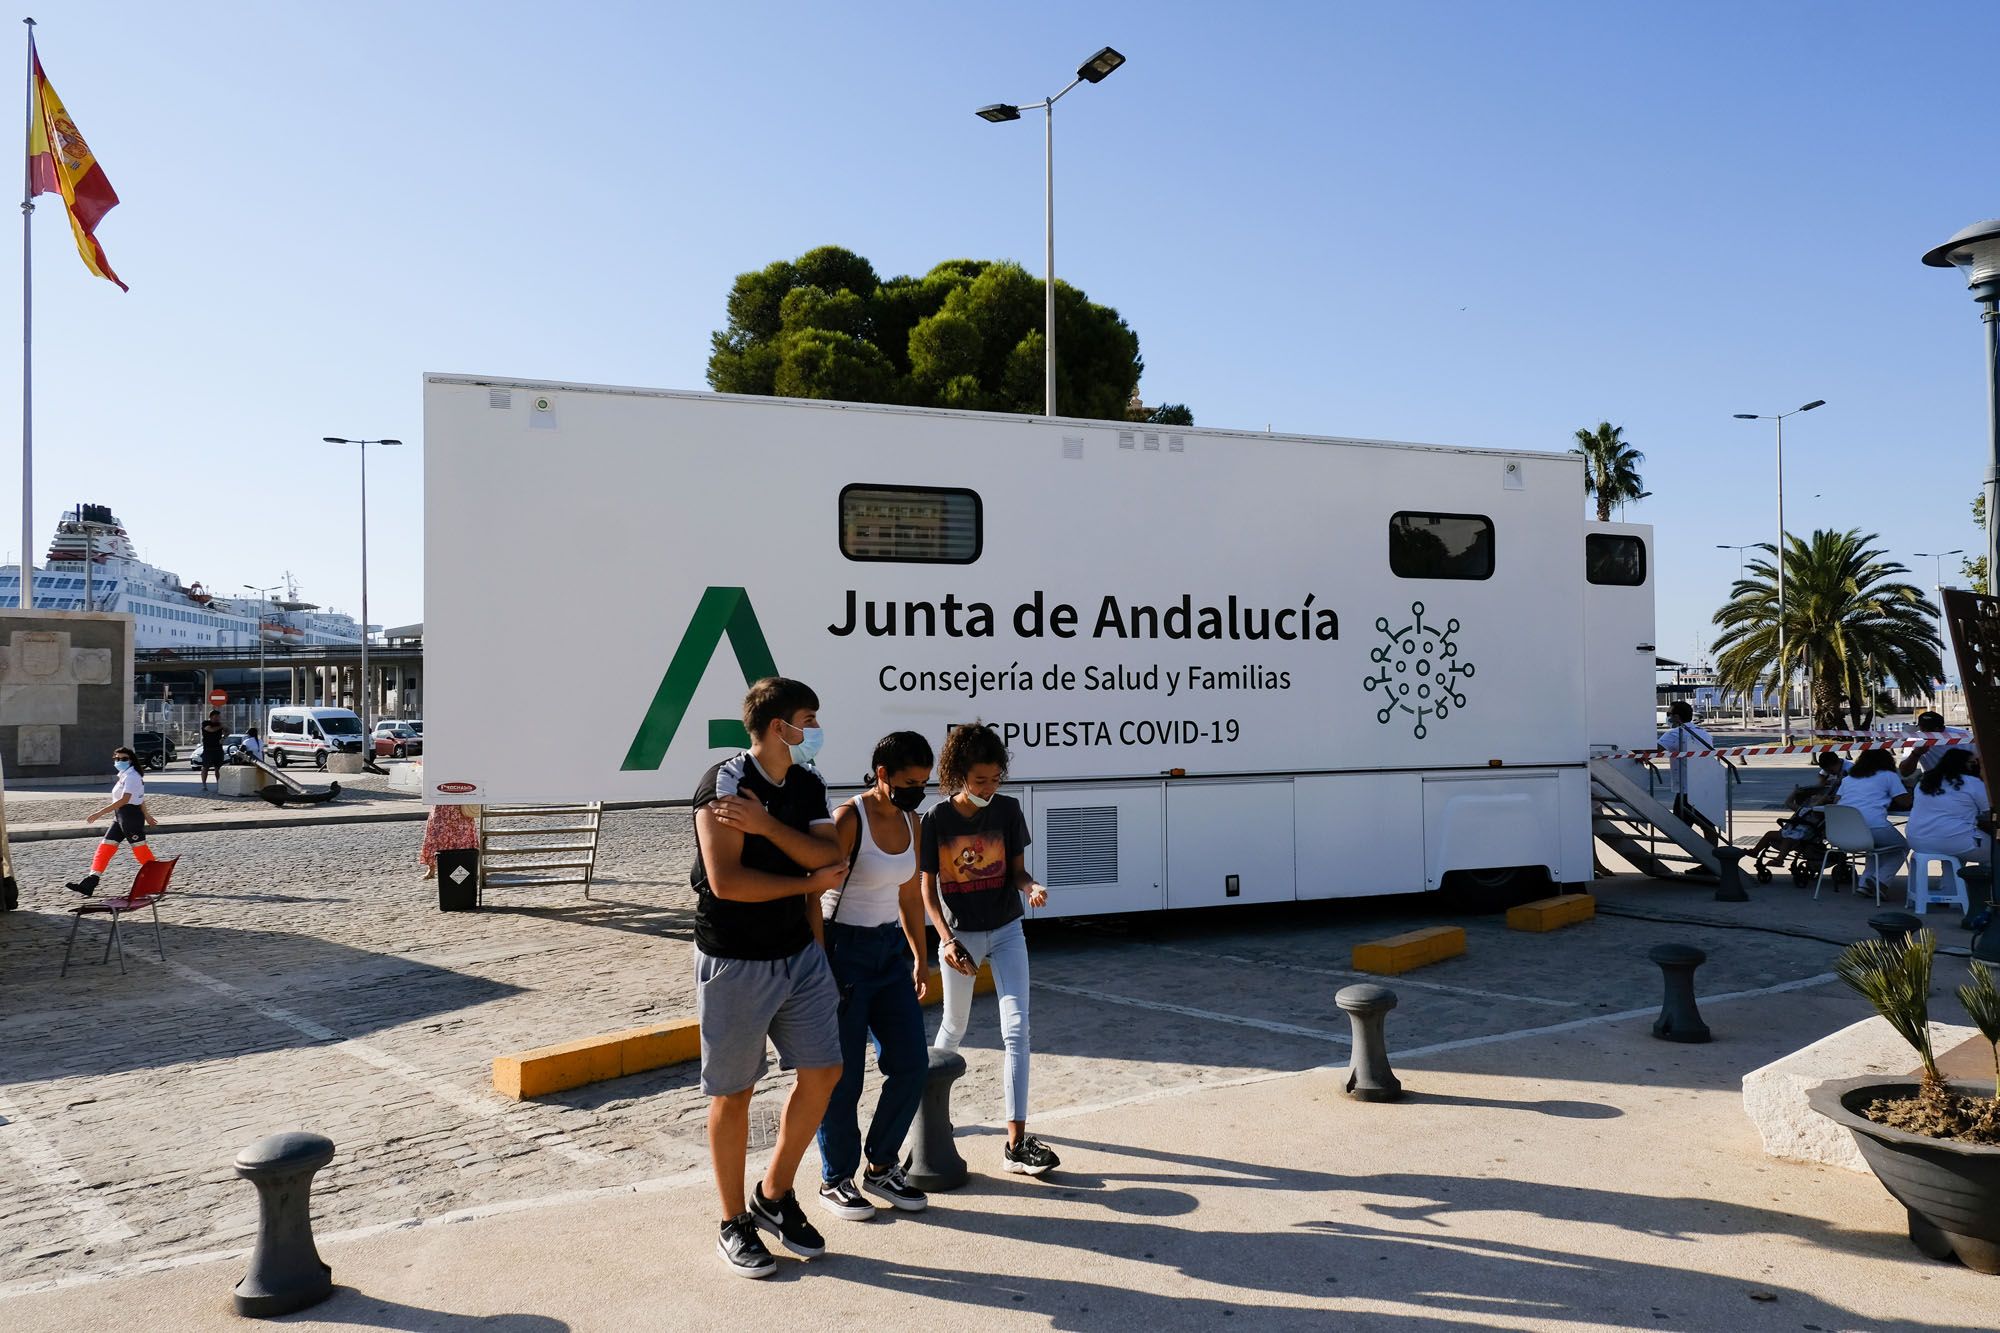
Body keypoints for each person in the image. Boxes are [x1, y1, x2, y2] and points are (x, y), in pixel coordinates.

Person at [692, 677, 847, 1279]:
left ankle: (774, 1196)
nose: (814, 730)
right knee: (734, 1092)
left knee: (824, 1073)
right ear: (779, 726)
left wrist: (767, 831)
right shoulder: (723, 783)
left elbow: (829, 859)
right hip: (735, 959)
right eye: (808, 719)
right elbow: (727, 882)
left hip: (800, 955)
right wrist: (807, 883)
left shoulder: (806, 782)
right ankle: (733, 1221)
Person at [922, 722, 1059, 1177]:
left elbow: (1016, 873)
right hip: (959, 938)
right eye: (981, 780)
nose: (989, 787)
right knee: (953, 1027)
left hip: (1006, 930)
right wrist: (945, 939)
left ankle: (1016, 1142)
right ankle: (930, 1124)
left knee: (1017, 1030)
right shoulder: (936, 820)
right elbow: (927, 891)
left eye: (996, 778)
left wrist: (1032, 885)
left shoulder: (1008, 810)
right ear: (959, 774)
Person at [813, 731, 935, 1222]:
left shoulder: (912, 821)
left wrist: (920, 958)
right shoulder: (849, 819)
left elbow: (909, 897)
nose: (918, 791)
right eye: (909, 781)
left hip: (889, 953)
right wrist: (819, 963)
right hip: (844, 951)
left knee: (911, 1065)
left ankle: (882, 1164)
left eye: (925, 783)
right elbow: (815, 895)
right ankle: (835, 1177)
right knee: (842, 1077)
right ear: (881, 773)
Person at [66, 746, 159, 896]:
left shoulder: (132, 776)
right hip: (121, 816)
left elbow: (126, 799)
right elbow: (140, 798)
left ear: (131, 760)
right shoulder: (124, 775)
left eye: (123, 759)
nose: (119, 761)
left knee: (140, 850)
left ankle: (158, 879)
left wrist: (99, 813)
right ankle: (91, 881)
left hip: (131, 817)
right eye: (117, 758)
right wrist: (147, 815)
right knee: (105, 847)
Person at [1833, 746, 1912, 895]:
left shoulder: (1848, 779)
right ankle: (1880, 881)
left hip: (1843, 831)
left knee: (1874, 848)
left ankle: (1865, 883)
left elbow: (1837, 802)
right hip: (1873, 826)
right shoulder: (1888, 775)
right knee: (1902, 847)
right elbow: (1904, 802)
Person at [1905, 749, 1991, 867]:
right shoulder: (1973, 782)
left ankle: (1951, 885)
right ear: (1963, 764)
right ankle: (1987, 884)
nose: (1977, 765)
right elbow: (1990, 813)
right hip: (1953, 840)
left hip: (1917, 841)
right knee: (1994, 849)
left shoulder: (1924, 782)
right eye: (1974, 762)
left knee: (1955, 850)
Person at [1656, 701, 1719, 844]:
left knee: (1680, 827)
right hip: (1704, 785)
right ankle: (1711, 858)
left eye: (1669, 714)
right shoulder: (1703, 733)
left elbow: (1653, 749)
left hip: (1687, 789)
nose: (1668, 718)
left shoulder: (1674, 734)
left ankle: (1706, 858)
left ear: (1677, 717)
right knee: (1707, 825)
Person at [1898, 711, 1972, 781]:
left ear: (1940, 728)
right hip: (1933, 782)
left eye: (1929, 729)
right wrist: (1915, 754)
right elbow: (1905, 773)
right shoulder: (1915, 739)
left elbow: (1978, 760)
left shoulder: (1962, 735)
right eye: (1922, 728)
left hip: (1963, 780)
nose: (1924, 731)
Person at [419, 802, 479, 880]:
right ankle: (431, 869)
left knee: (463, 837)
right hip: (441, 804)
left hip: (460, 806)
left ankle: (471, 869)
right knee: (436, 836)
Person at [198, 709, 226, 791]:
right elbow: (211, 730)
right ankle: (204, 785)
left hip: (218, 748)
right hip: (208, 749)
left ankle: (219, 784)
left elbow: (228, 730)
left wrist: (224, 737)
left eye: (219, 717)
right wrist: (221, 726)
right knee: (205, 767)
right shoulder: (206, 723)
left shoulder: (219, 724)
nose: (218, 718)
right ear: (211, 717)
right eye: (216, 716)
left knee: (218, 768)